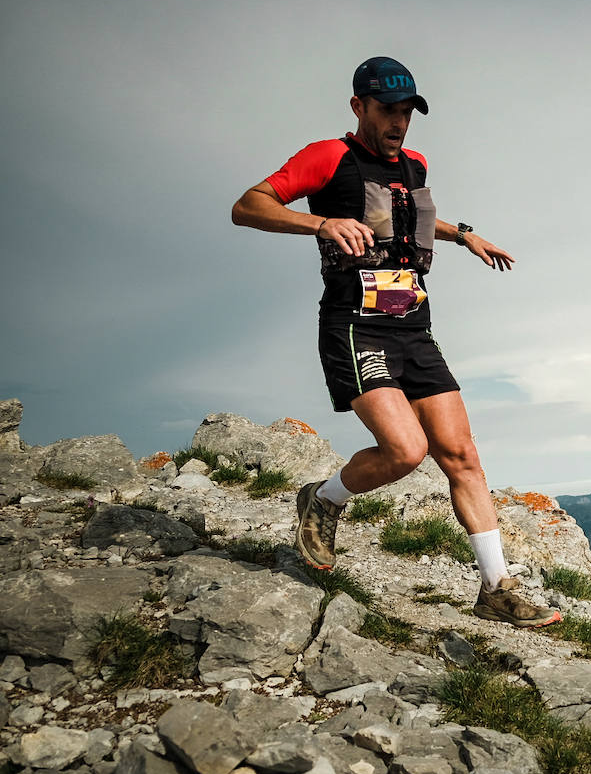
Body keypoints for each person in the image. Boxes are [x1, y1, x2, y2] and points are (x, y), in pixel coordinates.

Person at [231, 56, 559, 629]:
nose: (399, 122)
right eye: (388, 110)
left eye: (407, 111)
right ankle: (325, 497)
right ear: (359, 106)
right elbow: (248, 205)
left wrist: (463, 236)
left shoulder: (415, 164)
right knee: (406, 452)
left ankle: (496, 587)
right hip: (355, 325)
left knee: (462, 456)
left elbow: (406, 223)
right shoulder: (328, 156)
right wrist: (320, 224)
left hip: (414, 325)